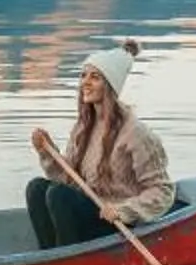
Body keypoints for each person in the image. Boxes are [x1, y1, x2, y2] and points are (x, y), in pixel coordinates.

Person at [26, 39, 176, 249]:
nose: (85, 82)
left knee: (58, 195)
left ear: (110, 85)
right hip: (92, 213)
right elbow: (71, 182)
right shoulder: (83, 128)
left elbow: (162, 191)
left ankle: (69, 262)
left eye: (95, 77)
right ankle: (49, 256)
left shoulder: (136, 134)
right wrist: (48, 155)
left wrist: (124, 210)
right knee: (36, 188)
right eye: (83, 75)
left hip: (118, 223)